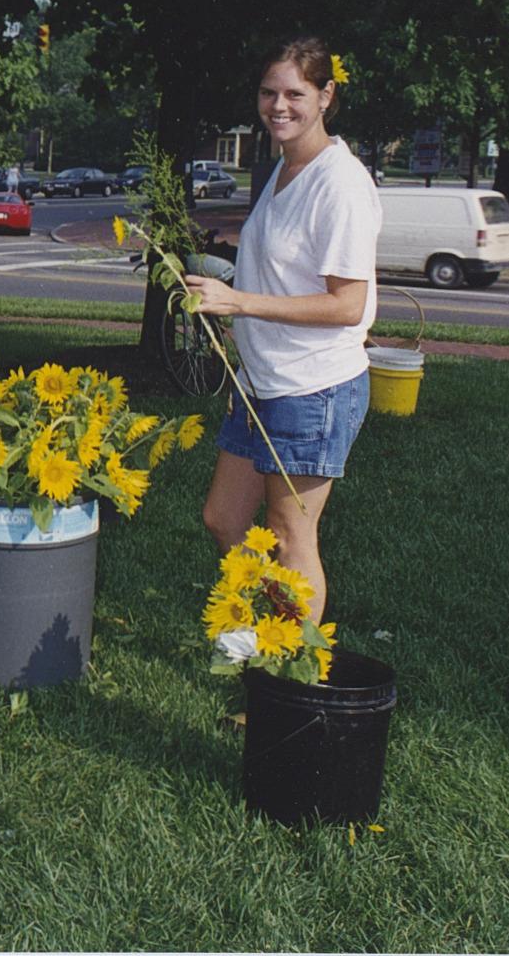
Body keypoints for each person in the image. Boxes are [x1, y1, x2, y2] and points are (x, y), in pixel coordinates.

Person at [183, 36, 381, 623]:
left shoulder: (339, 182)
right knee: (223, 519)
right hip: (263, 381)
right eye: (269, 92)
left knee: (292, 540)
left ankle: (289, 684)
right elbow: (279, 269)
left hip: (314, 388)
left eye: (295, 93)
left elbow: (347, 306)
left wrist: (239, 302)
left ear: (326, 96)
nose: (279, 105)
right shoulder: (283, 167)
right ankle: (268, 626)